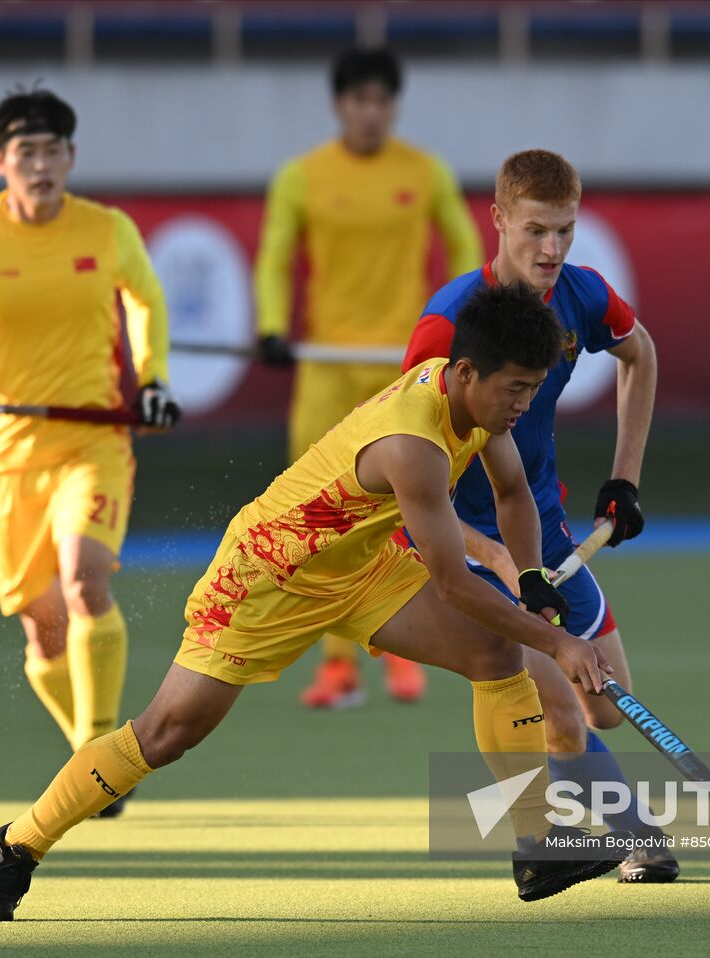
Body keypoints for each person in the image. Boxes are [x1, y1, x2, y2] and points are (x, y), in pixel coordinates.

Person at [0, 284, 625, 922]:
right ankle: (15, 844)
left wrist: (533, 576)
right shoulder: (413, 443)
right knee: (168, 734)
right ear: (464, 372)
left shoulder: (479, 406)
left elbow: (512, 493)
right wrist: (562, 642)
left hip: (357, 565)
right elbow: (455, 583)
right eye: (515, 390)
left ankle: (539, 846)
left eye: (534, 390)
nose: (523, 405)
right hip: (268, 575)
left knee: (494, 651)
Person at [402, 149, 677, 883]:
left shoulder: (581, 296)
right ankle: (632, 840)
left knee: (605, 707)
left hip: (545, 531)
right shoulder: (446, 327)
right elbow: (406, 483)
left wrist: (625, 479)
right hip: (455, 541)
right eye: (535, 231)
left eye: (565, 230)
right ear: (496, 221)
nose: (551, 250)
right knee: (556, 698)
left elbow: (640, 354)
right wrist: (494, 561)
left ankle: (564, 807)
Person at [0, 88, 179, 818]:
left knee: (86, 580)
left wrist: (151, 380)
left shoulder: (108, 230)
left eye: (54, 151)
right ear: (1, 162)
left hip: (94, 441)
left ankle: (98, 752)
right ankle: (88, 753)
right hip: (6, 458)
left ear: (71, 158)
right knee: (42, 627)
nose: (42, 164)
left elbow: (147, 301)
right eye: (26, 153)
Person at [253, 46, 484, 708]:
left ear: (394, 107)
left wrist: (459, 321)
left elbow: (465, 249)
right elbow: (273, 259)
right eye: (359, 100)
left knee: (411, 510)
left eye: (382, 101)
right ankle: (336, 666)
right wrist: (273, 327)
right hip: (325, 369)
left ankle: (399, 651)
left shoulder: (426, 172)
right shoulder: (302, 177)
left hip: (406, 372)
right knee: (319, 520)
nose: (371, 113)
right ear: (339, 106)